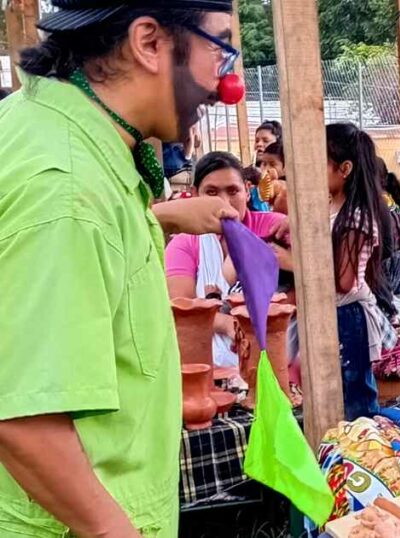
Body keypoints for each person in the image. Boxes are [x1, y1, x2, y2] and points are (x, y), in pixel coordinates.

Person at [0, 1, 243, 535]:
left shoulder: (46, 130)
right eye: (219, 48)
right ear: (149, 42)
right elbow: (25, 421)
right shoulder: (66, 190)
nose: (225, 84)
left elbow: (85, 267)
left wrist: (160, 220)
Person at [165, 151, 289, 367]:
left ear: (248, 192)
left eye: (233, 191)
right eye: (211, 192)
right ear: (195, 195)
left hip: (279, 355)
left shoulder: (276, 228)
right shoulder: (185, 243)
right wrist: (225, 324)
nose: (224, 202)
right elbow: (182, 308)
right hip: (209, 363)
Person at [326, 122, 394, 420]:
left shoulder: (356, 217)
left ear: (344, 168)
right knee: (338, 396)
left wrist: (288, 261)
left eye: (320, 161)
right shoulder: (332, 209)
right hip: (337, 314)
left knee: (358, 404)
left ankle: (366, 456)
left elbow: (345, 280)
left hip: (350, 316)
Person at [377, 157, 400, 298]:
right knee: (397, 301)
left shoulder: (376, 200)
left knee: (386, 302)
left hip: (387, 258)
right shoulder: (389, 197)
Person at [258, 140, 288, 214]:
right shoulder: (260, 182)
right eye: (264, 164)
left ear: (286, 167)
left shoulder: (286, 187)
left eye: (272, 164)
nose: (266, 168)